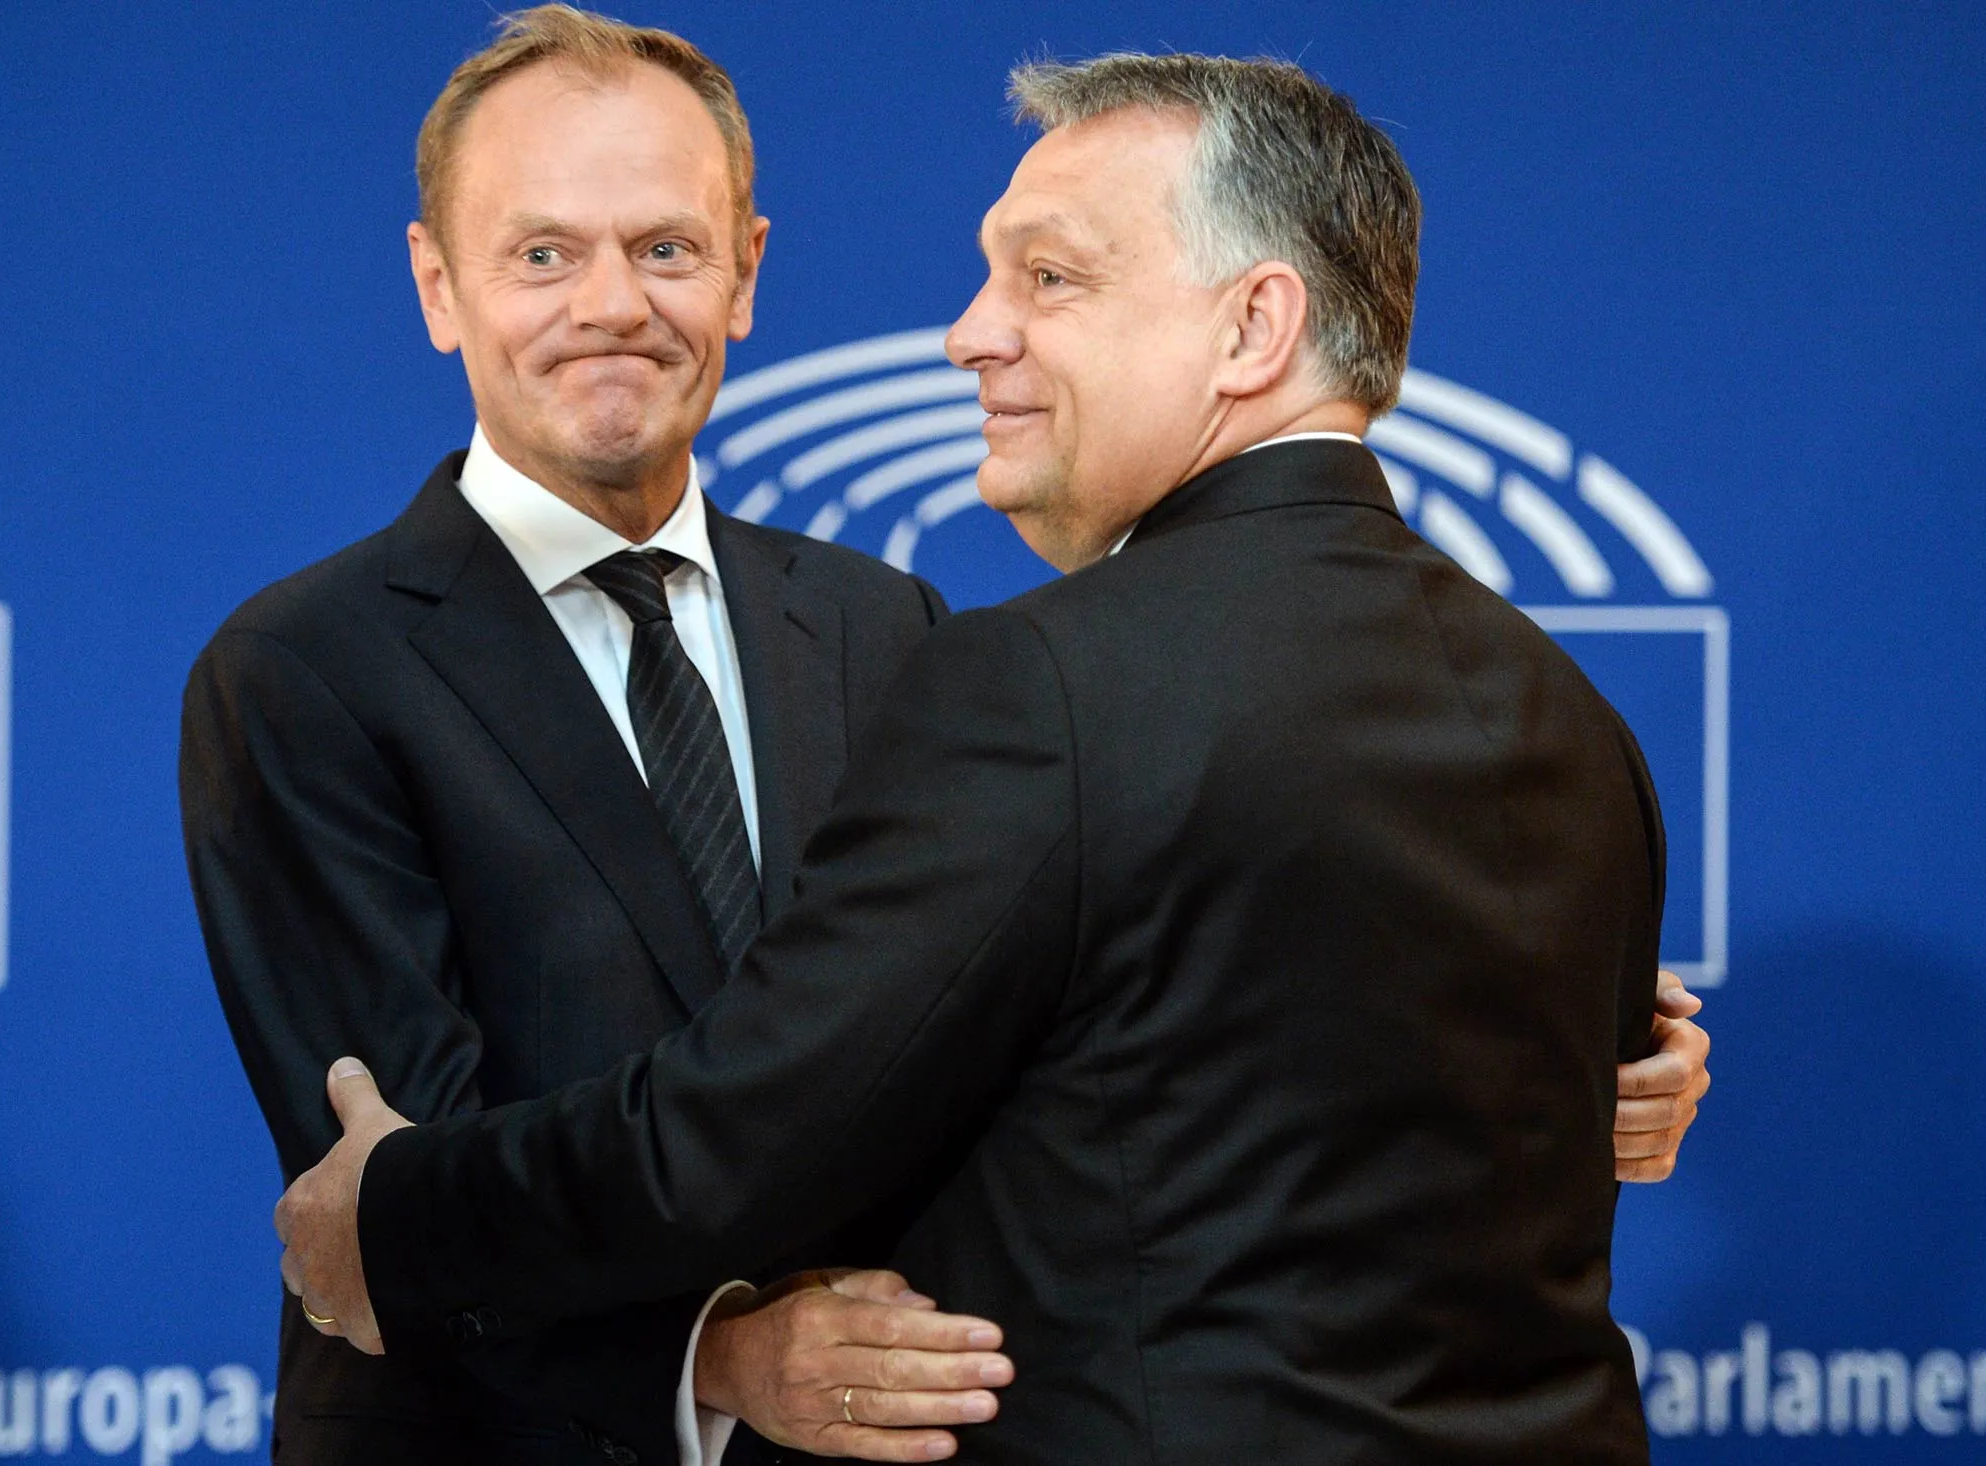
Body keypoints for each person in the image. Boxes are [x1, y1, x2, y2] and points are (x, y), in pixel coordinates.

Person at [276, 50, 1703, 1464]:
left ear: (1254, 327)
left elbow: (743, 1128)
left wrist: (398, 1219)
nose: (970, 332)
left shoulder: (1041, 682)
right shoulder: (1568, 713)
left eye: (1050, 278)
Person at [180, 11, 1018, 1465]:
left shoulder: (885, 627)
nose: (613, 304)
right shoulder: (302, 671)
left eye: (666, 248)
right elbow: (392, 1195)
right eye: (543, 254)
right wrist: (720, 1361)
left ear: (745, 270)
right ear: (438, 285)